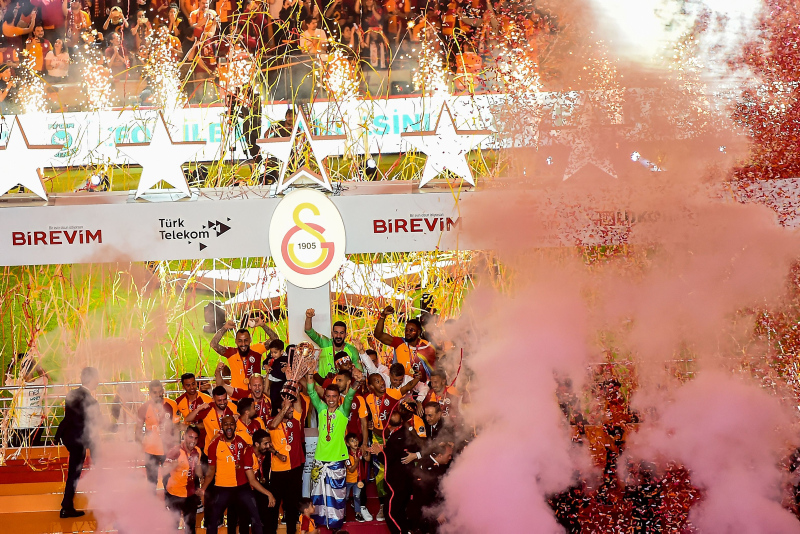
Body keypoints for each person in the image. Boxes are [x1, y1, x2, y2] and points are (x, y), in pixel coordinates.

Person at [198, 415, 276, 534]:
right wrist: (203, 488)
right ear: (221, 426)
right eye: (225, 424)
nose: (229, 426)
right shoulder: (214, 445)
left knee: (256, 518)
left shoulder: (243, 438)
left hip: (242, 487)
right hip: (222, 488)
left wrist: (270, 454)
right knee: (213, 521)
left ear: (235, 425)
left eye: (231, 424)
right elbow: (211, 471)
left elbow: (257, 446)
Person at [305, 369, 362, 530]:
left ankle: (336, 524)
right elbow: (311, 391)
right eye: (328, 396)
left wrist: (357, 381)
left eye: (334, 396)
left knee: (337, 495)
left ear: (338, 398)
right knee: (318, 495)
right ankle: (319, 522)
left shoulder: (343, 411)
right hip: (319, 459)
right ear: (325, 397)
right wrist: (310, 373)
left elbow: (349, 396)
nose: (331, 399)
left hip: (337, 460)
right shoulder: (321, 409)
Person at [368, 405, 425, 534]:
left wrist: (378, 452)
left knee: (391, 513)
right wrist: (416, 455)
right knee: (400, 512)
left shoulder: (395, 439)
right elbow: (415, 448)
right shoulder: (407, 433)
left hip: (397, 483)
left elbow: (386, 459)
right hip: (408, 480)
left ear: (388, 424)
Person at [55, 366, 100, 518]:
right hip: (78, 439)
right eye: (97, 378)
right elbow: (95, 425)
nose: (98, 381)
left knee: (74, 472)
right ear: (92, 379)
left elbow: (72, 418)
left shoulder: (72, 394)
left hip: (68, 436)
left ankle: (67, 505)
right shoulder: (91, 401)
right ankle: (66, 506)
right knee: (74, 473)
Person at [265, 396, 305, 534]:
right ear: (279, 410)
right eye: (288, 408)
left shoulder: (295, 420)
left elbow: (298, 406)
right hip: (278, 471)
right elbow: (272, 425)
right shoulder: (271, 421)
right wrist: (284, 408)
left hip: (294, 469)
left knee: (292, 507)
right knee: (274, 506)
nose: (291, 410)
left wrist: (295, 391)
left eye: (291, 407)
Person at [374, 305, 437, 381]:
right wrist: (383, 316)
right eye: (406, 330)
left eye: (411, 330)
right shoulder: (399, 342)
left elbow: (433, 370)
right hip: (401, 385)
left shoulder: (427, 346)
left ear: (418, 332)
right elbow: (378, 335)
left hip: (421, 386)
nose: (407, 332)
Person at [136, 379, 180, 488]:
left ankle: (168, 499)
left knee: (168, 481)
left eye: (160, 391)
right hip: (150, 450)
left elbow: (176, 428)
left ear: (163, 391)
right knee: (151, 481)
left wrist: (177, 446)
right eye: (155, 392)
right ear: (150, 393)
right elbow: (138, 430)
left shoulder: (172, 404)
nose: (158, 395)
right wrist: (139, 447)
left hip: (168, 449)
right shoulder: (143, 408)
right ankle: (151, 499)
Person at [164, 425, 203, 534]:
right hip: (174, 494)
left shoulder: (197, 451)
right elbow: (163, 471)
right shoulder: (175, 451)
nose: (193, 441)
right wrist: (172, 465)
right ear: (184, 436)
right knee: (173, 526)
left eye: (195, 438)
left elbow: (198, 471)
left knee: (191, 526)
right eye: (190, 437)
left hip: (190, 494)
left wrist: (201, 477)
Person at [5, 353, 48, 447]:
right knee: (34, 448)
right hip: (37, 425)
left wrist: (12, 363)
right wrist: (35, 363)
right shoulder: (41, 382)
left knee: (19, 450)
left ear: (21, 370)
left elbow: (6, 379)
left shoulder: (17, 386)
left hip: (20, 427)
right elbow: (44, 375)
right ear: (34, 369)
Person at [304, 308, 363, 377]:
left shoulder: (352, 350)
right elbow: (309, 331)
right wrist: (308, 317)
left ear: (346, 335)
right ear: (332, 334)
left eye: (341, 333)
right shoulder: (325, 343)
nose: (338, 336)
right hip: (321, 383)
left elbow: (359, 371)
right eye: (336, 332)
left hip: (343, 384)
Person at [210, 320, 265, 391]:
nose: (243, 344)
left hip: (254, 394)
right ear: (236, 341)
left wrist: (263, 325)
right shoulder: (231, 352)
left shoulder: (257, 350)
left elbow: (275, 340)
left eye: (246, 340)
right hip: (236, 395)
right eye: (240, 341)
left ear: (250, 340)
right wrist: (225, 328)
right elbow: (213, 344)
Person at [184, 385, 238, 454]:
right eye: (219, 400)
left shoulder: (232, 407)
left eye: (224, 399)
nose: (222, 403)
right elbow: (188, 419)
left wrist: (237, 416)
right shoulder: (207, 409)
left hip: (229, 449)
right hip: (211, 449)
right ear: (213, 399)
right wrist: (199, 409)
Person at [344, 432, 370, 522]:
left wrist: (368, 451)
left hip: (358, 479)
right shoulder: (346, 455)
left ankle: (358, 513)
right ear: (347, 444)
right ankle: (343, 514)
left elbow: (367, 459)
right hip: (348, 480)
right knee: (345, 497)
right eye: (352, 441)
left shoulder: (360, 451)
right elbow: (351, 470)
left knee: (357, 496)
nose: (355, 442)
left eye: (356, 440)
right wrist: (356, 462)